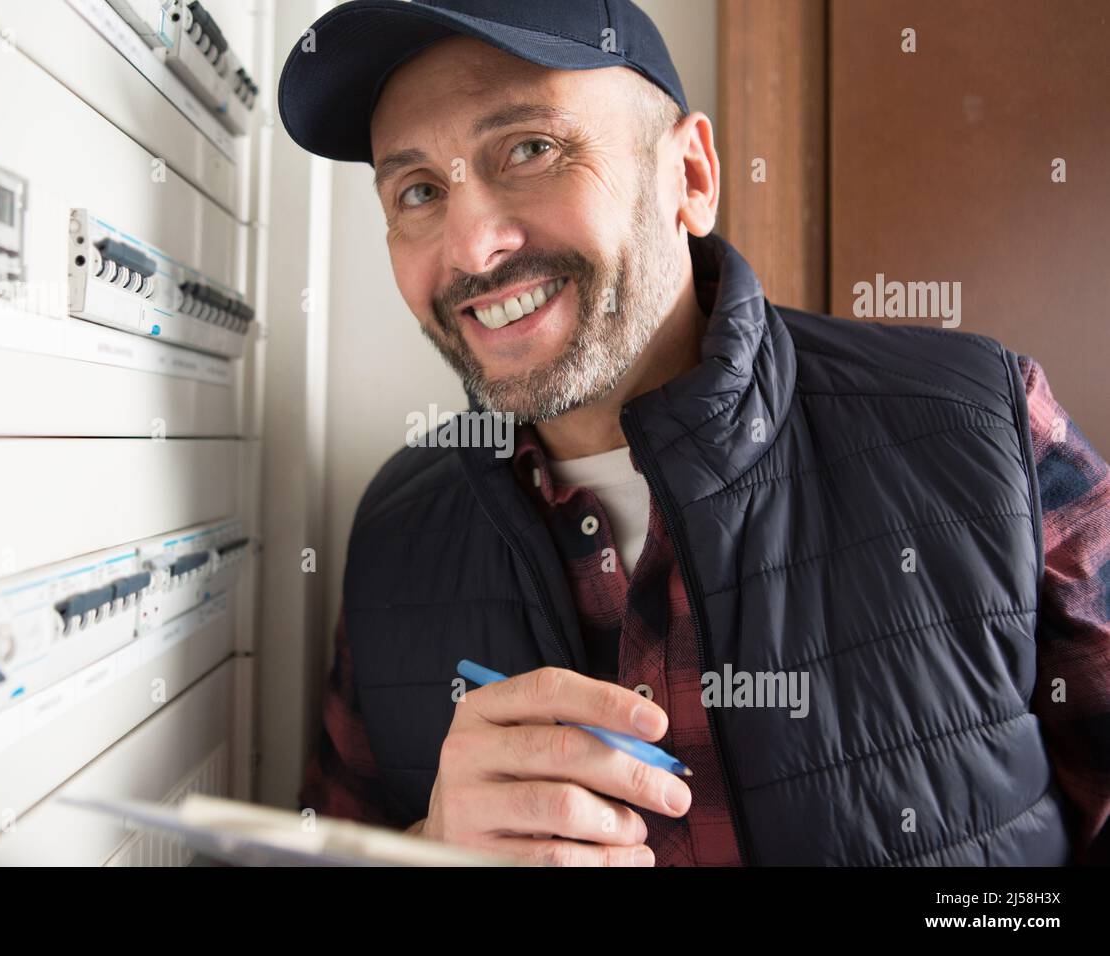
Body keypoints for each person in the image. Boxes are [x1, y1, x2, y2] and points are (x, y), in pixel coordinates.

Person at [277, 0, 1109, 866]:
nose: (474, 247)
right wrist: (426, 852)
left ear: (693, 176)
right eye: (418, 191)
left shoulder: (987, 426)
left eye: (531, 148)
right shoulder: (393, 530)